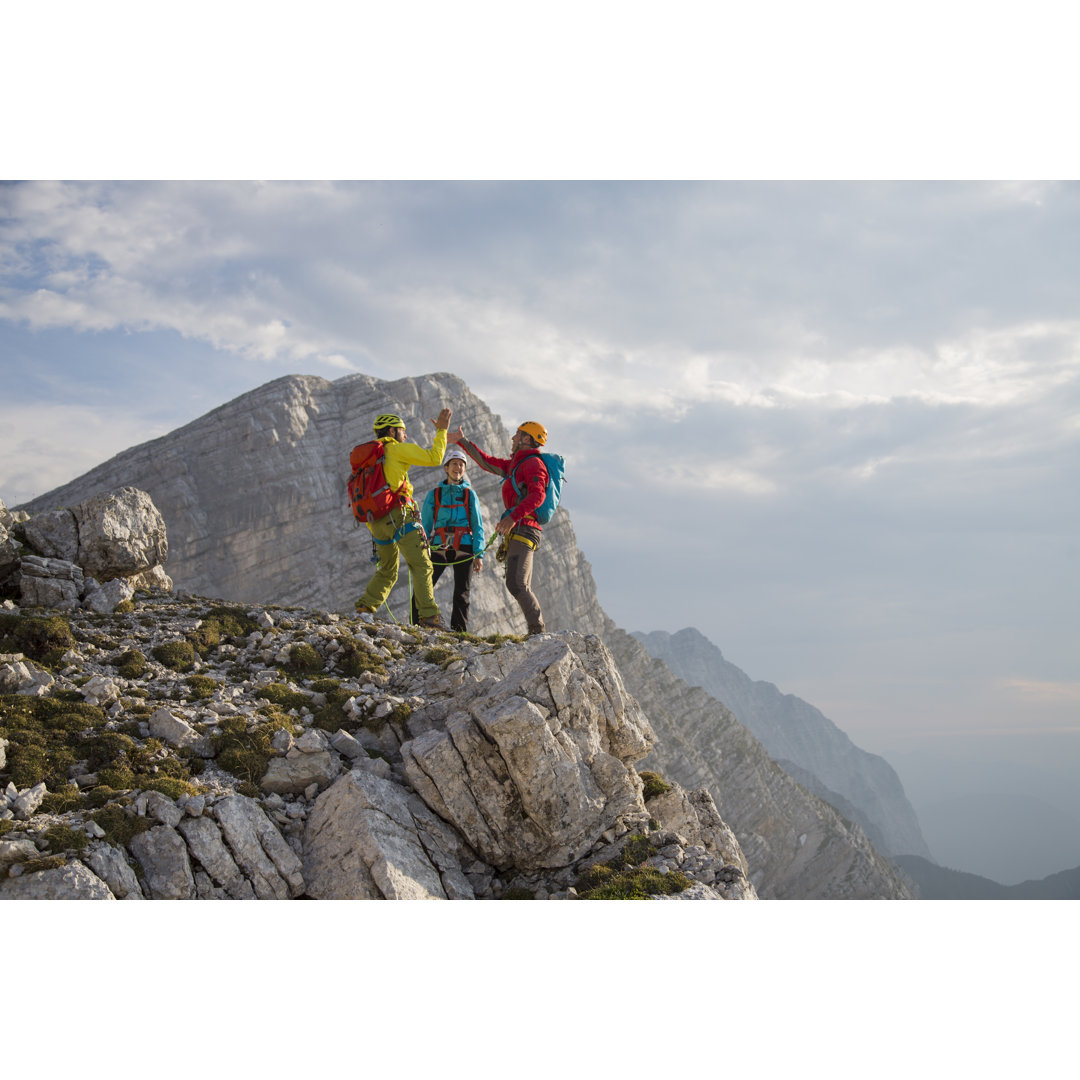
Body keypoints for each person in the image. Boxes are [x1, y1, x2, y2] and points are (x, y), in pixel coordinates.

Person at [447, 420, 549, 636]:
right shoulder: (516, 465)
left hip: (525, 527)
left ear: (526, 439)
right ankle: (536, 630)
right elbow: (486, 462)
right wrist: (462, 442)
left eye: (517, 435)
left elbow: (538, 495)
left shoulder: (533, 464)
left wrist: (512, 517)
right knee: (516, 582)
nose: (512, 439)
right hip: (519, 528)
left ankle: (537, 631)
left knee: (517, 583)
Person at [355, 409, 451, 628]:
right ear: (392, 431)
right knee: (422, 565)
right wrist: (442, 431)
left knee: (388, 569)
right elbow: (435, 458)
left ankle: (365, 607)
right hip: (399, 515)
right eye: (402, 431)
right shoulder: (395, 449)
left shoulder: (371, 459)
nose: (405, 436)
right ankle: (429, 617)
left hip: (376, 521)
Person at [411, 446, 486, 632]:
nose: (458, 468)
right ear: (446, 467)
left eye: (461, 465)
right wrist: (419, 549)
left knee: (462, 593)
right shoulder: (435, 494)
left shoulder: (470, 495)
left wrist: (479, 554)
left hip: (465, 546)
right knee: (424, 586)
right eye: (454, 464)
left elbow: (477, 525)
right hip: (438, 545)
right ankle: (414, 626)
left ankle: (459, 633)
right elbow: (425, 525)